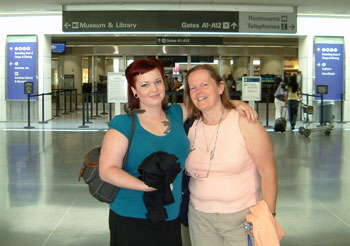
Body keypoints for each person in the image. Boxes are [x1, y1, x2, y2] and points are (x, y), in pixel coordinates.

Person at [99, 58, 257, 246]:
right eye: (145, 84)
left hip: (170, 214)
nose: (154, 89)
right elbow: (107, 170)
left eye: (158, 82)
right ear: (134, 90)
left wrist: (236, 103)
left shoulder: (177, 113)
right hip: (131, 215)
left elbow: (209, 102)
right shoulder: (124, 124)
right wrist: (147, 186)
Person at [184, 64, 278, 246]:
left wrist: (268, 216)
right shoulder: (190, 126)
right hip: (199, 217)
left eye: (204, 85)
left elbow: (268, 172)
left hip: (242, 218)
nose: (198, 91)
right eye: (193, 87)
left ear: (220, 87)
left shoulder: (245, 123)